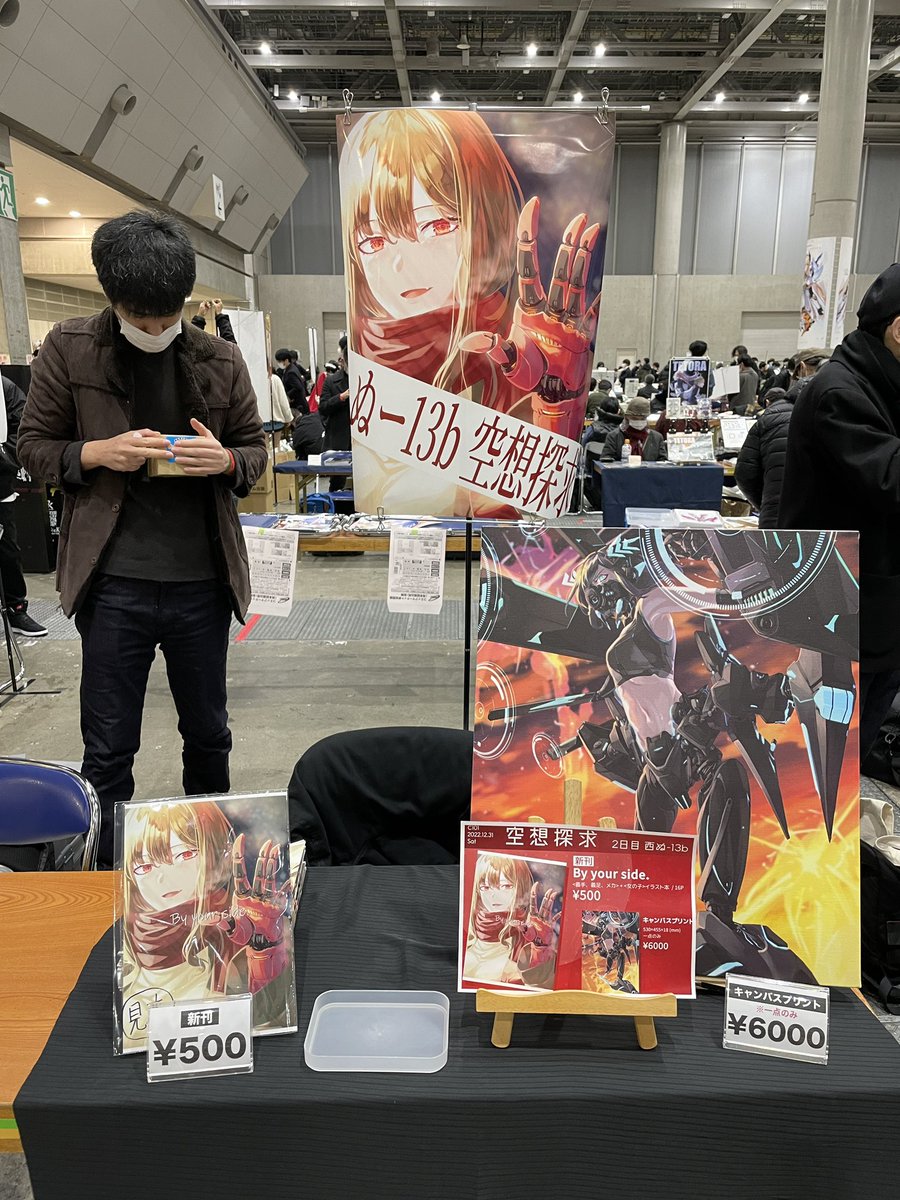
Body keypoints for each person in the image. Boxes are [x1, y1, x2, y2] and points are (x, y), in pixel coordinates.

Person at [16, 209, 267, 867]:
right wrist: (95, 452)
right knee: (107, 750)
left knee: (208, 738)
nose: (155, 330)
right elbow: (33, 447)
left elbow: (254, 450)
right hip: (112, 583)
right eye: (139, 318)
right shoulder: (70, 348)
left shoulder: (220, 358)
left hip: (202, 583)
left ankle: (211, 876)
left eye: (168, 317)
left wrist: (227, 461)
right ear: (111, 298)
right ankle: (107, 879)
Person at [778, 262, 900, 760]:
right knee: (839, 747)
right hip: (844, 612)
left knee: (857, 739)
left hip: (876, 605)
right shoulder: (841, 392)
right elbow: (889, 479)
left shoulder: (878, 383)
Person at [0, 374, 47, 636]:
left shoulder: (4, 388)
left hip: (0, 488)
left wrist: (3, 458)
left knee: (7, 552)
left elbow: (24, 430)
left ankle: (16, 609)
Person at [601, 397, 667, 462]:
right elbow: (606, 460)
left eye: (642, 418)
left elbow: (663, 463)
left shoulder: (657, 438)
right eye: (634, 418)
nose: (639, 421)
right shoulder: (614, 436)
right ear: (627, 417)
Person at [274, 348, 308, 418]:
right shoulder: (290, 368)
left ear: (286, 360)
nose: (279, 363)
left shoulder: (290, 372)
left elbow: (298, 387)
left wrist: (288, 396)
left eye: (280, 361)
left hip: (298, 406)